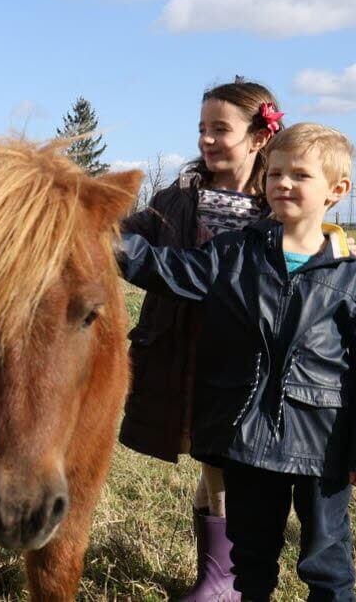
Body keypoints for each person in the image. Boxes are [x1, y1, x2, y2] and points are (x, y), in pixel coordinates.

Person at [117, 123, 356, 600]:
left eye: (300, 175)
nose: (283, 183)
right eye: (274, 173)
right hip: (248, 440)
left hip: (324, 445)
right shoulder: (232, 254)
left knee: (327, 560)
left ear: (337, 191)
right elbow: (167, 269)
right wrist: (99, 238)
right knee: (251, 557)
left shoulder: (351, 277)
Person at [119, 77, 282, 599]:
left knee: (228, 457)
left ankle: (223, 576)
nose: (207, 140)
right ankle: (217, 574)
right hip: (182, 347)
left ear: (259, 136)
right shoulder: (176, 199)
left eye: (220, 129)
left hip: (246, 352)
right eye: (202, 128)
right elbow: (125, 233)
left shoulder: (276, 206)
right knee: (212, 455)